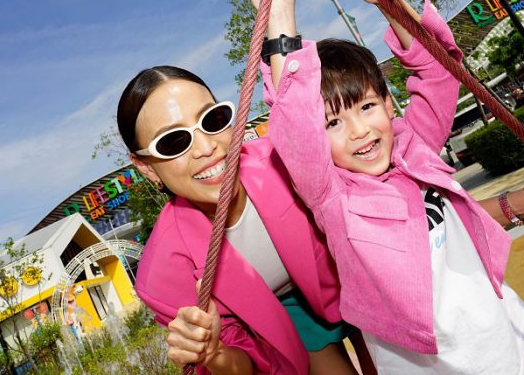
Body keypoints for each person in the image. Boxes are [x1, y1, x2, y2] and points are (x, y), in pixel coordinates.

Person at [251, 0, 524, 374]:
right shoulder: (333, 197)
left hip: (508, 349)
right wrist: (280, 18)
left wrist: (391, 4)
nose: (359, 130)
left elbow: (438, 73)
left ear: (388, 104)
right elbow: (295, 125)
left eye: (366, 107)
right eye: (332, 123)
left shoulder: (413, 147)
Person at [117, 67, 375, 374]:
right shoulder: (163, 275)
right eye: (173, 142)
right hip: (284, 321)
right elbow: (244, 367)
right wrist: (215, 354)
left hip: (352, 277)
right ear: (146, 167)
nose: (206, 148)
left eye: (212, 120)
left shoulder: (288, 158)